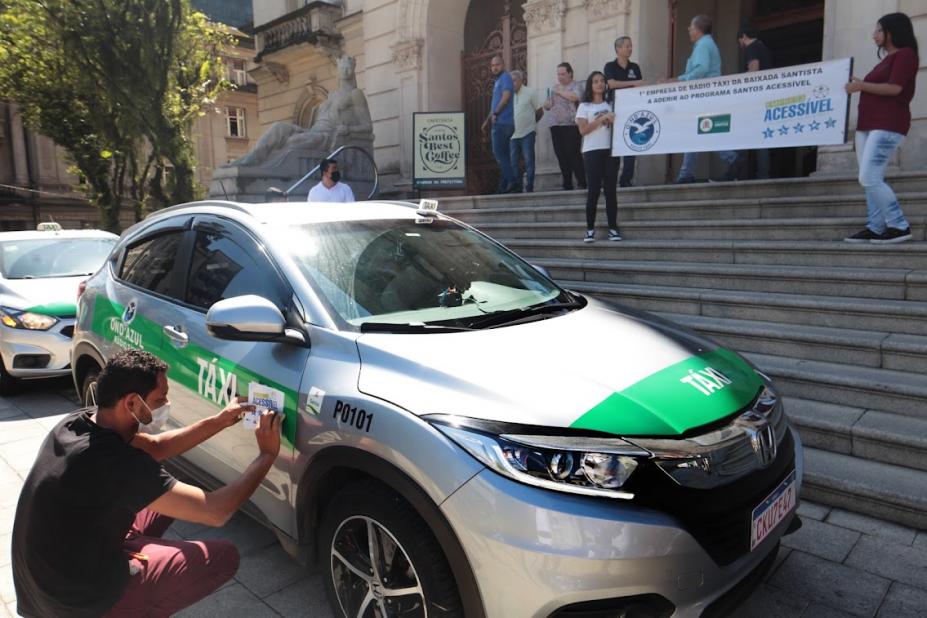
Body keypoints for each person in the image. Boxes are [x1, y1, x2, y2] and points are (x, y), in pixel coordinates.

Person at [12, 349, 282, 617]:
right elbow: (216, 511)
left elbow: (156, 446)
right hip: (75, 602)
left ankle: (125, 552)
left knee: (159, 484)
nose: (166, 403)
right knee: (223, 557)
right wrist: (266, 455)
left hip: (42, 581)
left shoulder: (81, 422)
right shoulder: (115, 463)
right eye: (160, 398)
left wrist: (220, 421)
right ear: (132, 403)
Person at [844, 12, 918, 244]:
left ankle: (898, 225)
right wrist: (861, 83)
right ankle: (875, 226)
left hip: (888, 123)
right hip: (869, 124)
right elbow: (877, 86)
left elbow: (895, 89)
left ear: (891, 32)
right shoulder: (887, 59)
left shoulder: (905, 55)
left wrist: (861, 85)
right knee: (869, 177)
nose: (873, 35)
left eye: (878, 30)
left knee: (869, 177)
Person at [230, 55, 373, 168]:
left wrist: (349, 129)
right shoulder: (332, 95)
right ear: (338, 71)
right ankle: (252, 159)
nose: (344, 71)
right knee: (278, 128)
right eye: (342, 68)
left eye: (348, 68)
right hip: (312, 131)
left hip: (327, 136)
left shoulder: (355, 94)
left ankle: (263, 168)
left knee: (293, 141)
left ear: (352, 70)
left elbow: (367, 126)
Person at [669, 15, 737, 183]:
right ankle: (688, 173)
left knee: (699, 131)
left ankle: (732, 159)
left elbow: (701, 69)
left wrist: (679, 79)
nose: (688, 30)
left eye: (691, 27)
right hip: (707, 96)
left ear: (698, 29)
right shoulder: (705, 43)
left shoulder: (703, 44)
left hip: (704, 96)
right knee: (701, 132)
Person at [576, 71, 621, 243]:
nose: (600, 84)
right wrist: (602, 119)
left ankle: (613, 229)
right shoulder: (584, 106)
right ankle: (589, 230)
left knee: (610, 191)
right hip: (591, 151)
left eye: (602, 81)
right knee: (593, 191)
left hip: (610, 150)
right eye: (595, 81)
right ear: (590, 85)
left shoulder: (612, 104)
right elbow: (583, 130)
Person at [604, 36, 646, 187]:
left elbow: (641, 86)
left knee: (631, 142)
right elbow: (612, 84)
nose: (630, 48)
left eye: (631, 46)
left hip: (632, 109)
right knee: (614, 145)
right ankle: (610, 180)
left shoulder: (635, 67)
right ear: (618, 49)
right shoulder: (609, 66)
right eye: (627, 46)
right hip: (615, 109)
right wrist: (633, 83)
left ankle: (626, 180)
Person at [737, 24, 773, 179]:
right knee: (761, 137)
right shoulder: (762, 47)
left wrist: (737, 81)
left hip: (756, 99)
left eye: (739, 41)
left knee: (750, 134)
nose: (740, 45)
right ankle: (763, 172)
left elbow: (754, 70)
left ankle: (739, 171)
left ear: (744, 37)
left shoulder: (751, 47)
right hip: (766, 97)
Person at [544, 62, 586, 190]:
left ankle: (582, 182)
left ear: (570, 73)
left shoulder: (576, 85)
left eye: (562, 74)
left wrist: (560, 92)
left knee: (573, 154)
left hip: (571, 125)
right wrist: (547, 104)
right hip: (555, 125)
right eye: (558, 74)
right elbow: (548, 105)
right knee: (561, 155)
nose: (560, 77)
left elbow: (574, 97)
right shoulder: (554, 87)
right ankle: (567, 183)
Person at [481, 55, 516, 193]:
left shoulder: (506, 77)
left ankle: (512, 181)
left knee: (498, 154)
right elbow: (495, 104)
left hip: (503, 123)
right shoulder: (498, 81)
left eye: (497, 64)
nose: (494, 67)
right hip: (499, 122)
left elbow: (506, 97)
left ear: (503, 64)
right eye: (492, 65)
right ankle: (505, 186)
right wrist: (486, 120)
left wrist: (496, 114)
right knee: (504, 156)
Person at [510, 70, 544, 193]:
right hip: (512, 135)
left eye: (514, 80)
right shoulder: (508, 95)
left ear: (521, 80)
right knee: (513, 162)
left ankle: (529, 186)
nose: (511, 83)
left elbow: (540, 112)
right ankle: (518, 187)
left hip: (528, 133)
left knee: (529, 160)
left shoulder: (531, 92)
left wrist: (531, 124)